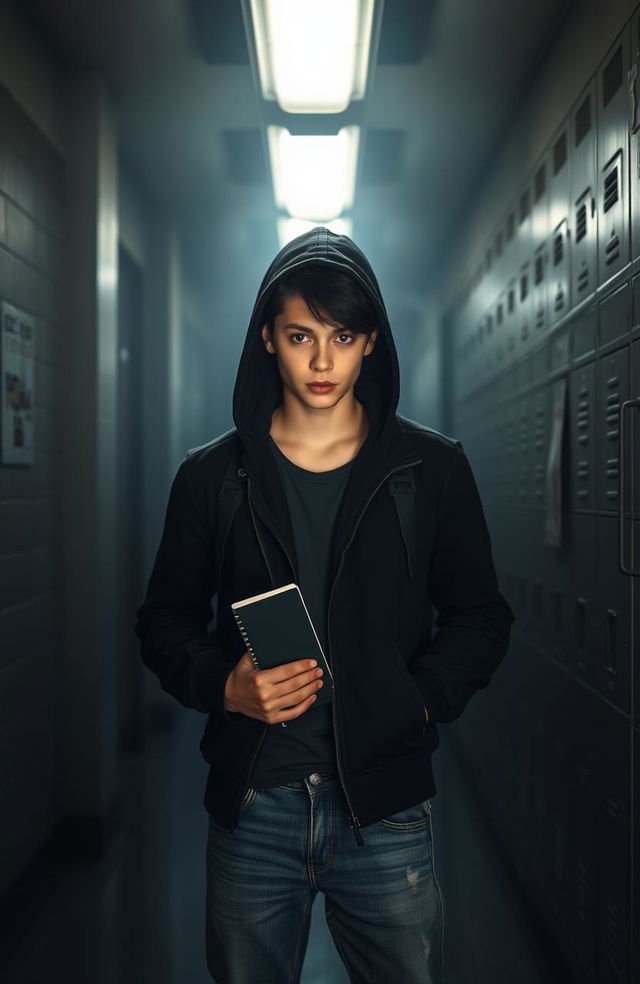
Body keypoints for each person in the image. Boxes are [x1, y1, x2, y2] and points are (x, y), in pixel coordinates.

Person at [134, 226, 516, 984]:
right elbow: (163, 622)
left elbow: (481, 615)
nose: (320, 361)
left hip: (387, 809)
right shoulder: (212, 477)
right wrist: (224, 686)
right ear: (267, 339)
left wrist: (419, 702)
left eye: (342, 336)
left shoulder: (431, 470)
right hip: (253, 805)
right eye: (300, 334)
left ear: (371, 342)